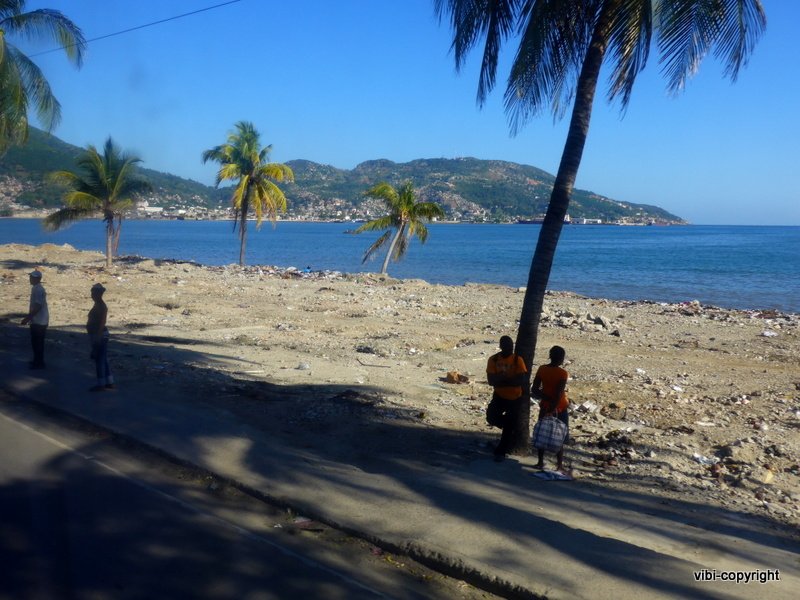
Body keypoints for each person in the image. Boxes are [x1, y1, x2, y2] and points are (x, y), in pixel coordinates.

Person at [486, 335, 528, 462]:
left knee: (509, 424)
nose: (510, 349)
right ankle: (511, 427)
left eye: (511, 347)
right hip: (499, 395)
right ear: (501, 347)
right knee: (491, 417)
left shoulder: (517, 360)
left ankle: (501, 451)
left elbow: (520, 380)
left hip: (515, 398)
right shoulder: (493, 359)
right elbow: (491, 381)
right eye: (507, 347)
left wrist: (501, 380)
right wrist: (509, 380)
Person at [531, 345, 570, 471]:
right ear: (561, 358)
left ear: (550, 356)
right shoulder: (562, 373)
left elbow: (535, 389)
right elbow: (558, 395)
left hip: (545, 406)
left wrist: (546, 399)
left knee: (542, 433)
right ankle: (559, 465)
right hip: (559, 408)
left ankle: (540, 462)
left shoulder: (542, 369)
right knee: (560, 436)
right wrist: (552, 408)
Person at [86, 283, 115, 392]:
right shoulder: (99, 304)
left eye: (93, 292)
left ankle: (101, 384)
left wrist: (97, 337)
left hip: (99, 335)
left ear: (98, 294)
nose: (91, 294)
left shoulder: (101, 306)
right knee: (103, 360)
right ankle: (109, 382)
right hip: (100, 335)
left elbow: (102, 322)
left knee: (99, 360)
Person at [21, 270, 49, 369]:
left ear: (38, 279)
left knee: (38, 342)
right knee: (36, 342)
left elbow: (38, 306)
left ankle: (39, 363)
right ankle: (37, 361)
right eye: (31, 277)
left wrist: (27, 318)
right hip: (38, 320)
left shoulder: (38, 290)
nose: (30, 279)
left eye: (32, 277)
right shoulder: (36, 288)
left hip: (39, 320)